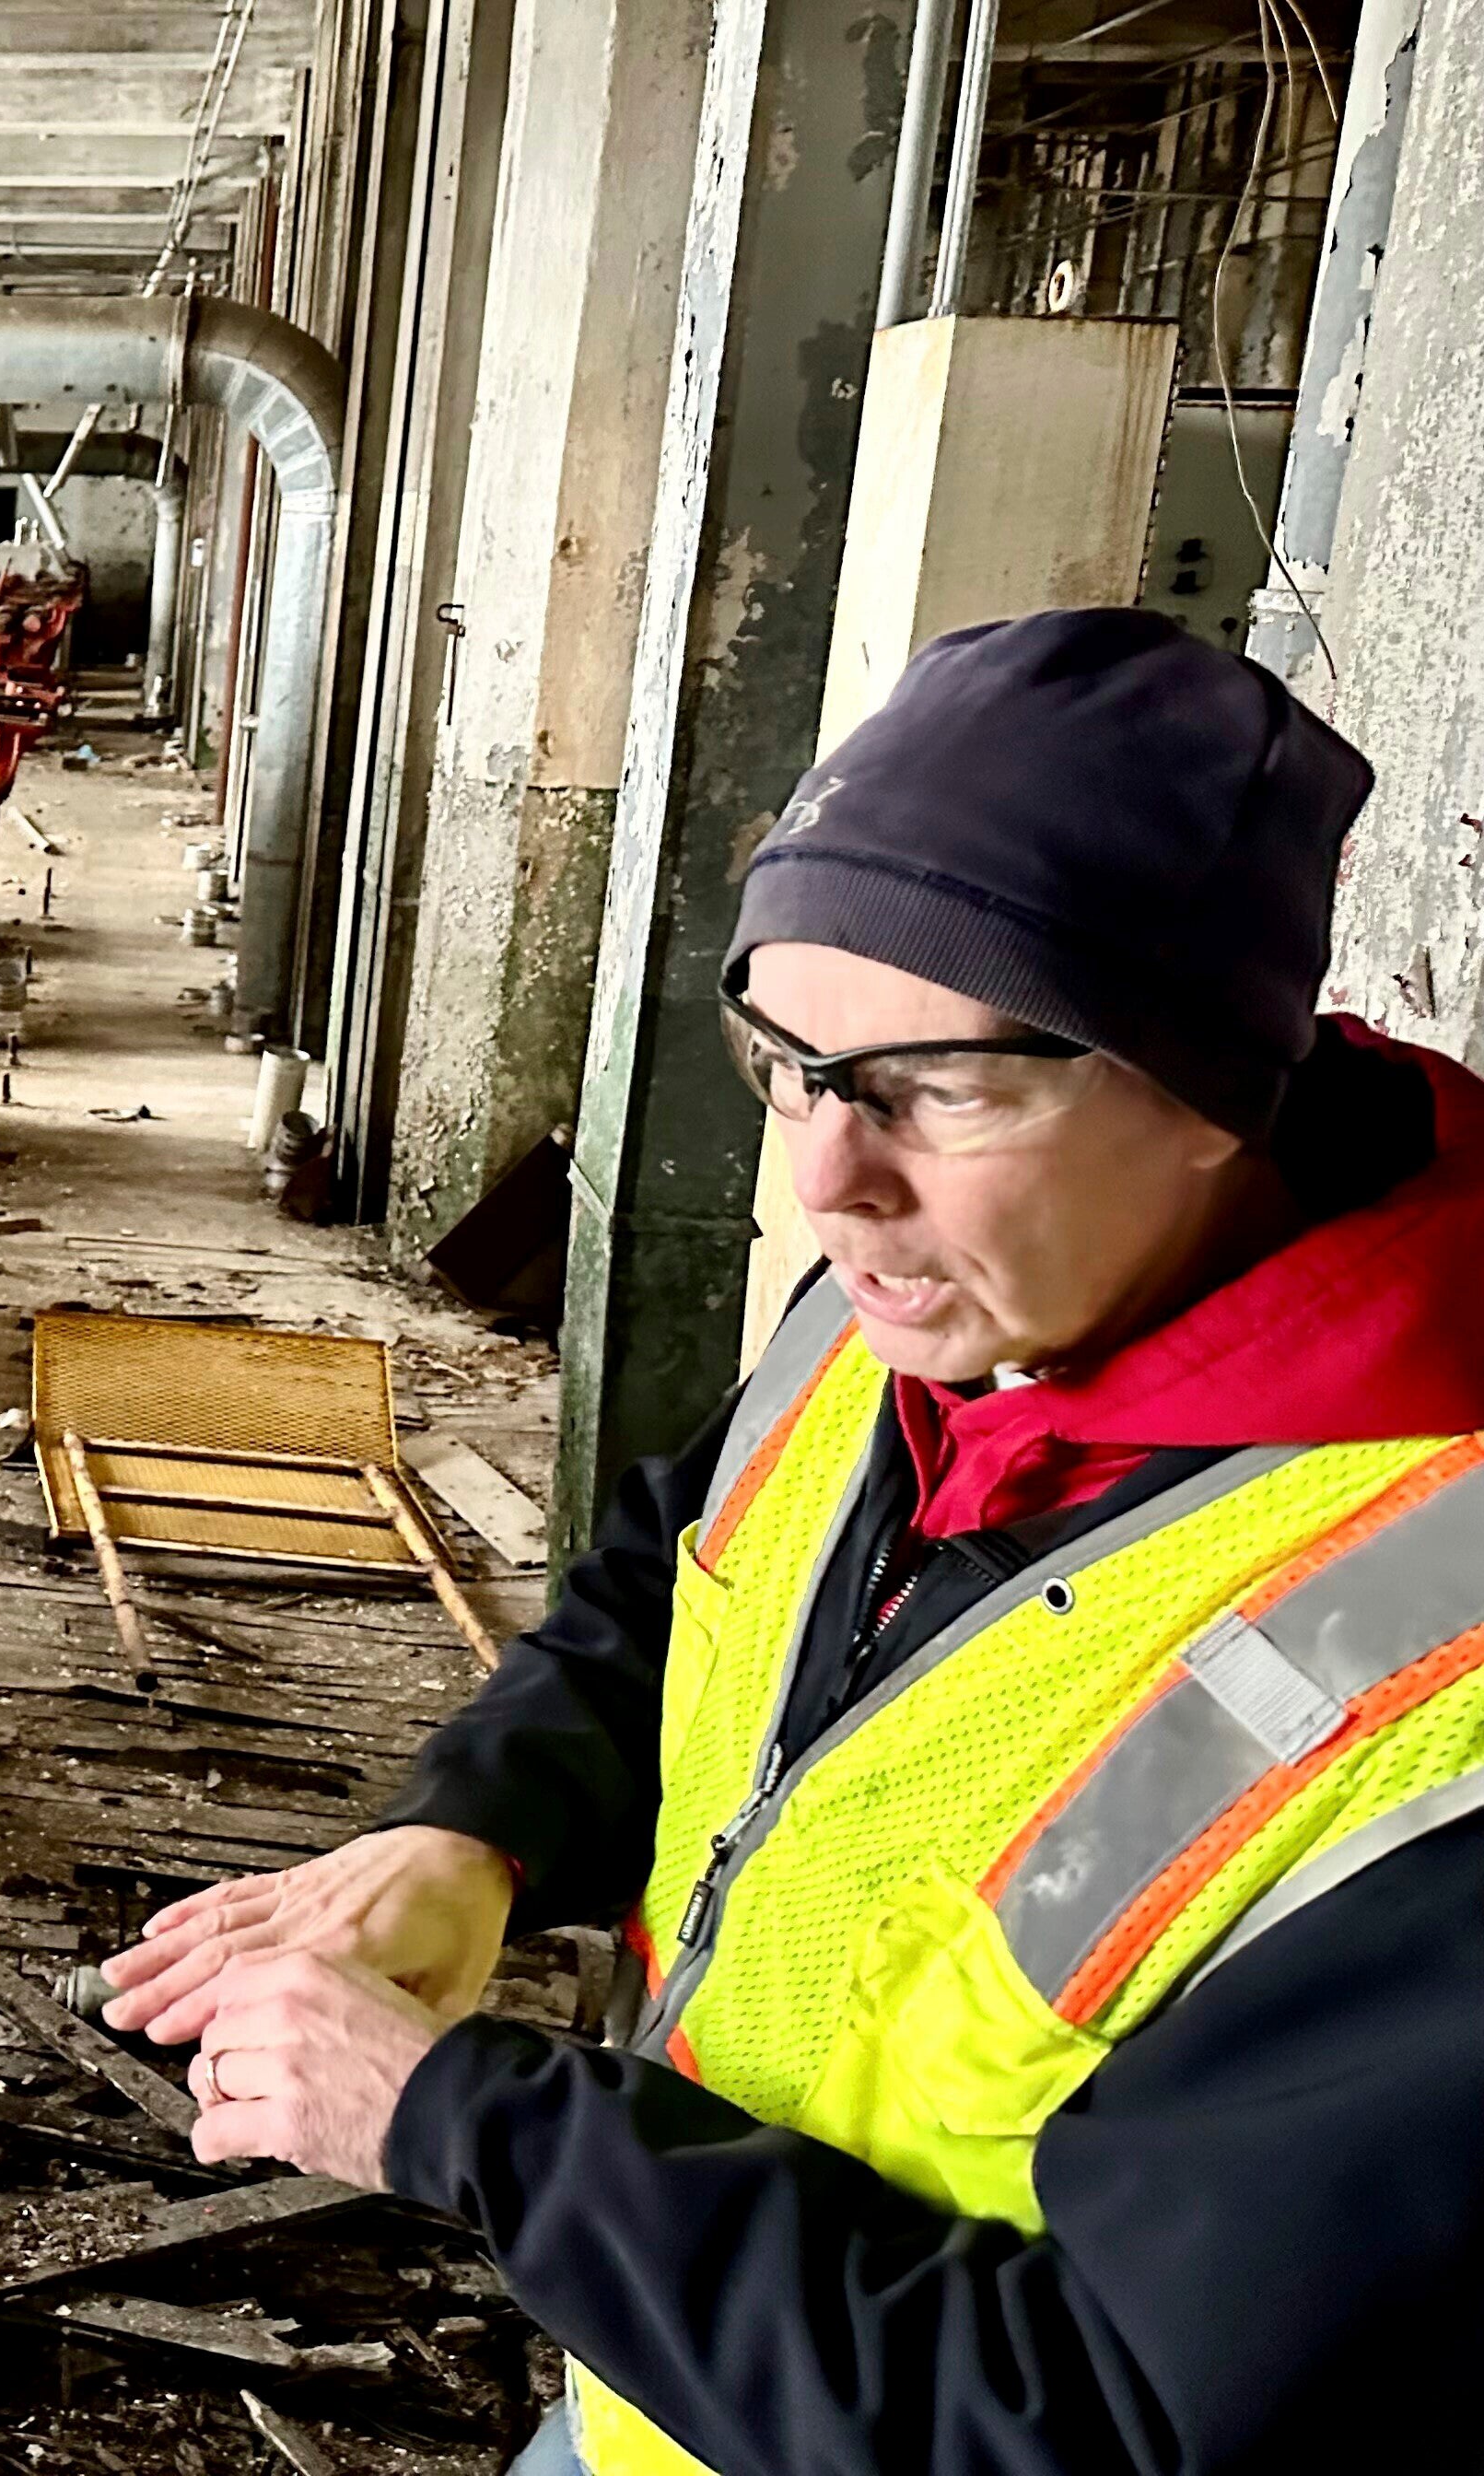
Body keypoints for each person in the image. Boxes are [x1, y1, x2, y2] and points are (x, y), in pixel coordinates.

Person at [98, 608, 1484, 2475]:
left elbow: (1100, 2424)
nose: (829, 1179)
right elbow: (698, 1570)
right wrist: (484, 1828)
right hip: (672, 2389)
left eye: (941, 1083)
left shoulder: (1440, 1674)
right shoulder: (941, 1302)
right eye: (788, 1066)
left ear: (1211, 1094)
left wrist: (469, 2125)